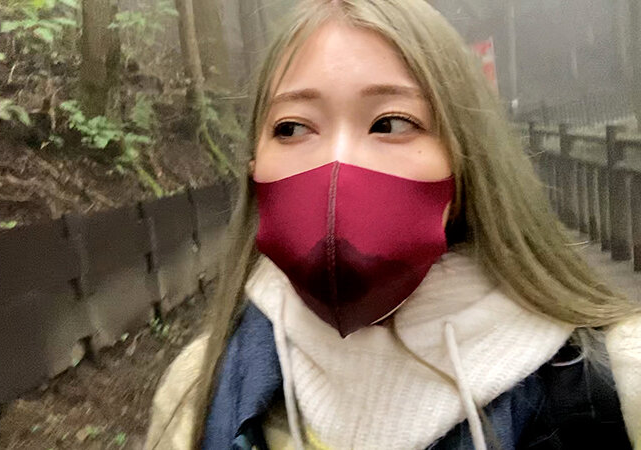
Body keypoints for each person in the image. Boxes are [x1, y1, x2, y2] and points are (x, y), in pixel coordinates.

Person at [145, 1, 641, 449]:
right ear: (254, 166)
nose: (338, 166)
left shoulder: (621, 383)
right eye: (291, 127)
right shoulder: (196, 397)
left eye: (392, 123)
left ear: (462, 159)